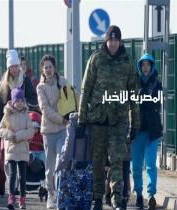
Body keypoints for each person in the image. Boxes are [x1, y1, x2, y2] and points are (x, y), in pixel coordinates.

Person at [77, 25, 140, 210]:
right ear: (106, 41)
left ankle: (116, 197)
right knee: (98, 160)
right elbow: (85, 89)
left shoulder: (127, 62)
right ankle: (97, 198)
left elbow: (133, 95)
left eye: (116, 40)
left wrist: (135, 123)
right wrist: (81, 119)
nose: (113, 43)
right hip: (97, 118)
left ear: (120, 41)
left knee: (117, 159)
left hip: (119, 119)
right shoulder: (96, 59)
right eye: (110, 40)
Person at [36, 54, 69, 209]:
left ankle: (61, 193)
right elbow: (45, 109)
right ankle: (51, 194)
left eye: (50, 66)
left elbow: (72, 99)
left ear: (54, 67)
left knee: (61, 163)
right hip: (48, 131)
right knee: (49, 167)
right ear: (42, 70)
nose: (48, 69)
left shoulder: (63, 82)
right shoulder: (40, 87)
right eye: (45, 67)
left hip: (63, 130)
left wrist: (69, 116)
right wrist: (61, 119)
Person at [131, 53, 163, 210]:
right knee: (136, 166)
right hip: (136, 131)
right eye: (142, 65)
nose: (145, 67)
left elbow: (156, 104)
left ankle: (151, 195)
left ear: (152, 66)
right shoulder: (134, 83)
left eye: (148, 65)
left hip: (152, 132)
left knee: (150, 165)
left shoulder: (157, 84)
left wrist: (142, 99)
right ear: (139, 67)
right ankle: (138, 194)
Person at [0, 87, 34, 209]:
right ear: (12, 101)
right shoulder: (7, 115)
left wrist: (19, 136)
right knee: (12, 174)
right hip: (11, 149)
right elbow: (0, 130)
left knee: (22, 176)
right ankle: (11, 197)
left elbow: (31, 131)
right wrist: (9, 135)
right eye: (17, 100)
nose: (19, 103)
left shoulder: (26, 115)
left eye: (21, 100)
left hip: (22, 149)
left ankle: (22, 199)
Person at [0, 49, 38, 140]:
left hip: (23, 123)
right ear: (8, 68)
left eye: (16, 66)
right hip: (8, 124)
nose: (14, 69)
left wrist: (23, 103)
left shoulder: (25, 80)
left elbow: (34, 99)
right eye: (12, 66)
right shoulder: (3, 84)